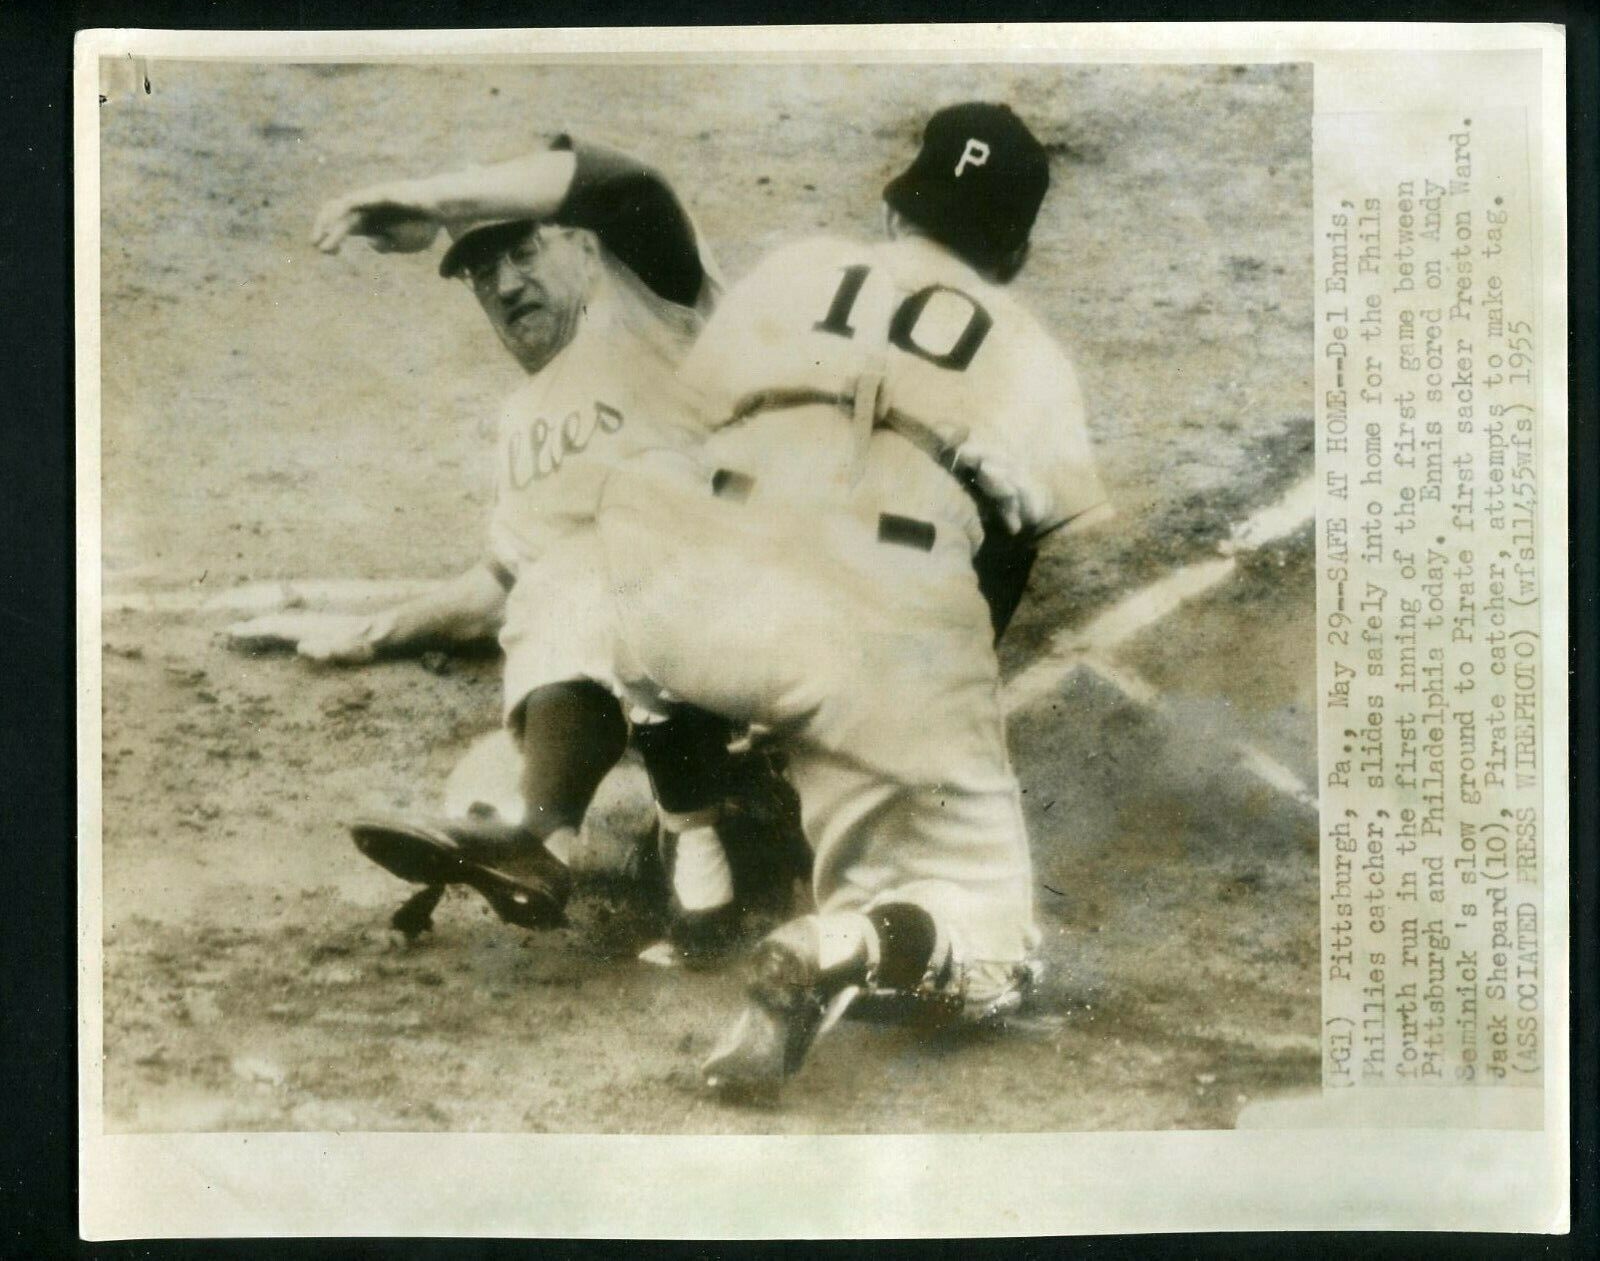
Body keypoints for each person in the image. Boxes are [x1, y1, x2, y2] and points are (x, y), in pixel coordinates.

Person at [590, 102, 1114, 1098]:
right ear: (1015, 245)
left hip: (683, 597)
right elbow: (1011, 559)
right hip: (883, 624)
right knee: (995, 952)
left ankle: (695, 860)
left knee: (641, 506)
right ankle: (838, 941)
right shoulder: (1030, 348)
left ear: (895, 210)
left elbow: (684, 425)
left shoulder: (795, 268)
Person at [231, 136, 796, 950]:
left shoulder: (655, 310)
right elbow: (501, 581)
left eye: (521, 250)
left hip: (766, 618)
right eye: (478, 271)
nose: (502, 283)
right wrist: (371, 631)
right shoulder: (520, 420)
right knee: (483, 777)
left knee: (601, 552)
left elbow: (628, 180)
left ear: (579, 244)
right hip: (647, 663)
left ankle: (580, 828)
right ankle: (560, 837)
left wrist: (431, 196)